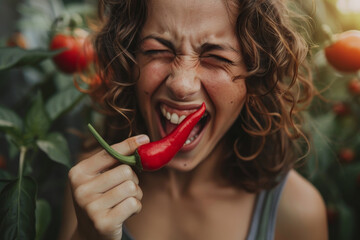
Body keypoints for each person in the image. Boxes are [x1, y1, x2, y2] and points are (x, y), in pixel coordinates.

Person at [59, 0, 328, 239]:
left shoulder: (297, 211)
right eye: (156, 50)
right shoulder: (96, 184)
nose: (182, 84)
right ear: (130, 61)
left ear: (255, 78)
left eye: (217, 57)